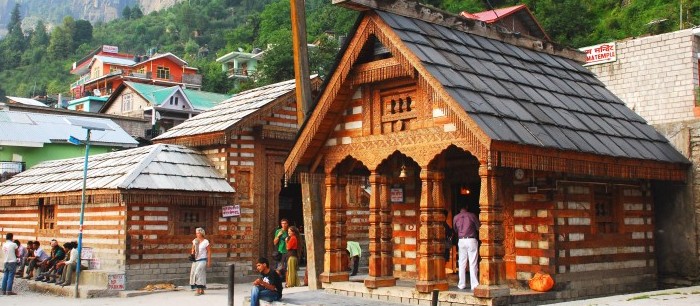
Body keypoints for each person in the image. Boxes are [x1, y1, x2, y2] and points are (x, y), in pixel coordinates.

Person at [453, 207, 480, 290]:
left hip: (461, 240)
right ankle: (474, 285)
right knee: (473, 262)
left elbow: (455, 229)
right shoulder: (472, 216)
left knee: (461, 263)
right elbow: (478, 227)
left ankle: (461, 284)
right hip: (471, 239)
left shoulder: (456, 217)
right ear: (467, 207)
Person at [190, 227, 211, 296]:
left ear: (201, 233)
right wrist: (192, 255)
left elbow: (209, 252)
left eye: (198, 233)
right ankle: (202, 290)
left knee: (197, 273)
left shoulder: (205, 242)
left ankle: (198, 290)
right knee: (200, 274)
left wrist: (209, 261)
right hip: (196, 260)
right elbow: (193, 249)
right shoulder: (195, 241)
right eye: (196, 233)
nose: (197, 234)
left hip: (203, 260)